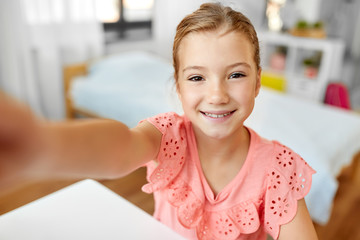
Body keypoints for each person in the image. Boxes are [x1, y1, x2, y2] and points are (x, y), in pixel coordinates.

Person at [0, 3, 318, 240]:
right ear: (178, 87)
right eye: (197, 77)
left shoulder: (279, 168)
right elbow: (122, 147)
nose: (217, 94)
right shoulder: (168, 135)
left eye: (236, 75)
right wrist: (42, 145)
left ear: (258, 82)